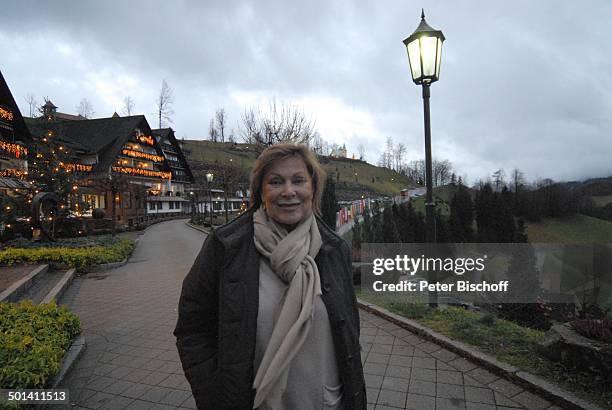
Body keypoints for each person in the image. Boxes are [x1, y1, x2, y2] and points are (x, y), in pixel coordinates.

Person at [174, 143, 366, 410]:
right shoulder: (227, 247)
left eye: (298, 180)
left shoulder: (333, 250)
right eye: (276, 182)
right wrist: (215, 398)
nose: (289, 191)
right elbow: (193, 329)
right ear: (261, 191)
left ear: (313, 189)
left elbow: (349, 333)